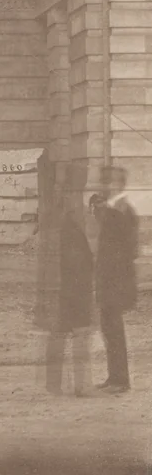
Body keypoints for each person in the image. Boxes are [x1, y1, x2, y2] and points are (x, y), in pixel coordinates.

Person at [42, 165, 94, 397]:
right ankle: (74, 387)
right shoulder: (62, 221)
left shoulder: (68, 218)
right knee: (73, 334)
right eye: (59, 190)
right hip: (68, 287)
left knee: (67, 334)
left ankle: (67, 386)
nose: (63, 195)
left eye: (66, 190)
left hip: (68, 286)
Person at [93, 166, 138, 393]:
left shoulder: (122, 211)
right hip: (109, 281)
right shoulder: (113, 210)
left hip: (116, 282)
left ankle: (121, 381)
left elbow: (128, 250)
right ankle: (114, 378)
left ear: (118, 185)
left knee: (114, 331)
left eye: (107, 182)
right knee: (109, 330)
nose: (103, 186)